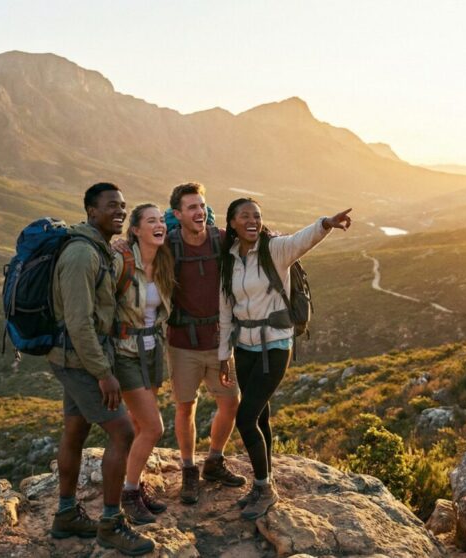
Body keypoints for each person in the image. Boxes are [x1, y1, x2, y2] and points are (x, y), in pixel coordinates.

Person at [218, 198, 351, 520]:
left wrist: (325, 224)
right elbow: (225, 310)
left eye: (257, 216)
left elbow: (301, 240)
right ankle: (266, 479)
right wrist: (225, 355)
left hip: (275, 345)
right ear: (232, 223)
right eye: (245, 216)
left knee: (245, 419)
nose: (252, 221)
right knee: (260, 416)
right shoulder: (230, 259)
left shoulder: (276, 250)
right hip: (245, 348)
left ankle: (264, 487)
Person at [47, 182, 155, 556]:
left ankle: (65, 516)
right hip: (81, 361)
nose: (120, 212)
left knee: (75, 431)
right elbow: (78, 322)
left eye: (123, 206)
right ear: (92, 211)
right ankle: (111, 523)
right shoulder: (81, 254)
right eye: (112, 206)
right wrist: (103, 373)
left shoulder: (99, 248)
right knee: (123, 433)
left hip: (75, 358)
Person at [166, 183, 247, 504]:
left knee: (231, 402)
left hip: (218, 339)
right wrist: (122, 243)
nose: (198, 212)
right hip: (182, 342)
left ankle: (214, 460)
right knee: (185, 406)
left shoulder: (220, 237)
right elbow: (138, 247)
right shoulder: (167, 244)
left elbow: (252, 238)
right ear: (177, 215)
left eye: (201, 206)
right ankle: (188, 469)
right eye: (191, 208)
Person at [112, 203, 175, 524]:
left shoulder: (163, 259)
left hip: (152, 352)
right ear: (135, 230)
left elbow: (200, 226)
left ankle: (134, 483)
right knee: (154, 427)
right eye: (151, 221)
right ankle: (129, 493)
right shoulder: (120, 261)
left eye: (161, 220)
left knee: (140, 426)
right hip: (125, 353)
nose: (159, 224)